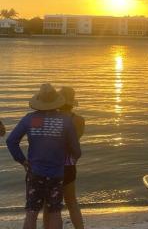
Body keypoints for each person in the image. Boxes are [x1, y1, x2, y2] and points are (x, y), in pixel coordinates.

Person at [6, 83, 81, 229]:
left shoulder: (30, 119)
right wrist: (71, 158)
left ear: (38, 102)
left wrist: (23, 161)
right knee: (54, 212)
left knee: (31, 212)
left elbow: (11, 141)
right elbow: (76, 150)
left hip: (35, 172)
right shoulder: (65, 121)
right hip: (56, 174)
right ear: (56, 102)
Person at [43, 86, 85, 229]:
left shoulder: (52, 119)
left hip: (51, 165)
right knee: (72, 202)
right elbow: (74, 144)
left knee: (50, 205)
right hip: (69, 165)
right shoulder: (79, 120)